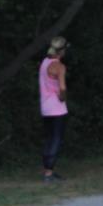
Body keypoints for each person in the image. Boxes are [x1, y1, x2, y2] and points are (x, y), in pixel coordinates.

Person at [39, 36, 68, 183]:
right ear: (62, 51)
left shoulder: (44, 63)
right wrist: (63, 98)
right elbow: (62, 88)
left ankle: (47, 169)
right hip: (57, 108)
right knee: (56, 139)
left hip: (45, 107)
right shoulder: (59, 66)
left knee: (48, 138)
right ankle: (49, 172)